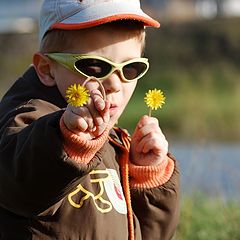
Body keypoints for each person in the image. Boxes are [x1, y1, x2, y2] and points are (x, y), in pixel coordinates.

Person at [0, 0, 180, 239]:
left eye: (130, 69)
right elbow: (19, 184)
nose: (116, 84)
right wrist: (64, 142)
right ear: (46, 68)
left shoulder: (113, 138)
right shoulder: (27, 122)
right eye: (95, 66)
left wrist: (146, 177)